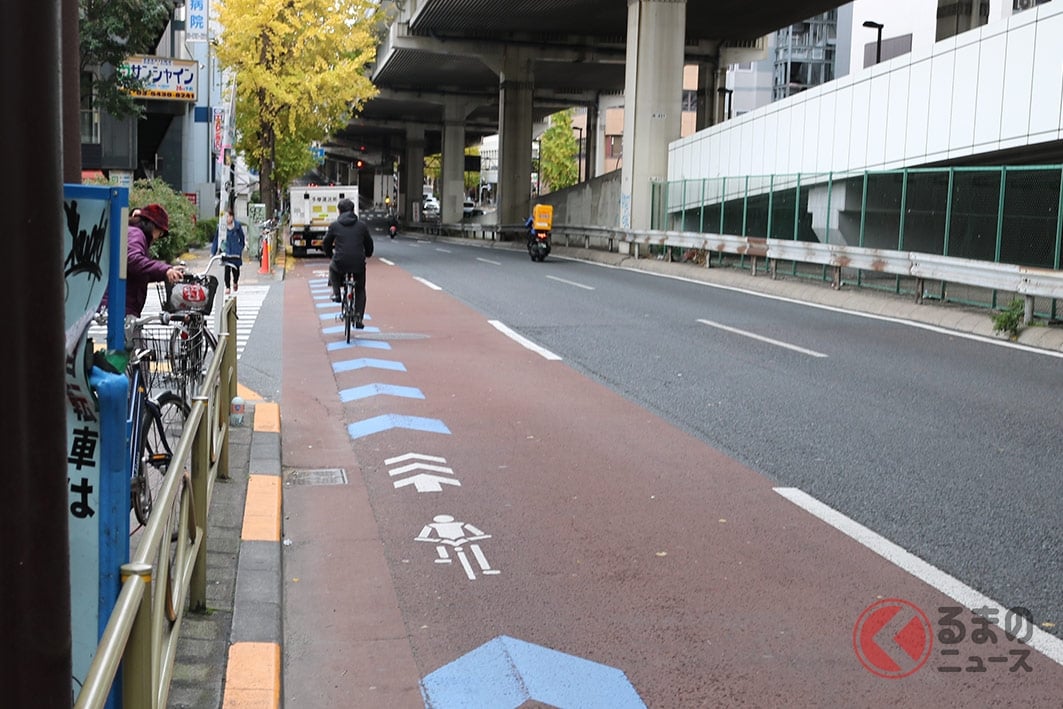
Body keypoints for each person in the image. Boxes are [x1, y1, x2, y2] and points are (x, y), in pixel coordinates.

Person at [101, 203, 183, 317]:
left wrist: (166, 272)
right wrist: (165, 270)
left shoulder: (134, 233)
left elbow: (140, 271)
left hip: (121, 304)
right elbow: (134, 261)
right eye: (161, 232)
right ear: (153, 226)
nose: (159, 236)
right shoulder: (136, 234)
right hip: (119, 305)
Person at [322, 198, 374, 328]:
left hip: (340, 262)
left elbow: (326, 243)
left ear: (339, 211)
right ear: (353, 210)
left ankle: (337, 294)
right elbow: (369, 244)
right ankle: (358, 318)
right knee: (360, 289)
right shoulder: (361, 226)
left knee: (333, 268)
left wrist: (330, 255)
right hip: (358, 263)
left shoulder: (334, 226)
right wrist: (367, 254)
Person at [213, 211, 246, 294]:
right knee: (227, 269)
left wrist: (240, 247)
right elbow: (216, 239)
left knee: (236, 269)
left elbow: (242, 237)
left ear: (232, 217)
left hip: (235, 251)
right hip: (226, 250)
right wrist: (213, 252)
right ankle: (227, 287)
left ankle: (235, 281)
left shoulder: (237, 226)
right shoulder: (221, 227)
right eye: (226, 217)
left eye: (229, 216)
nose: (228, 218)